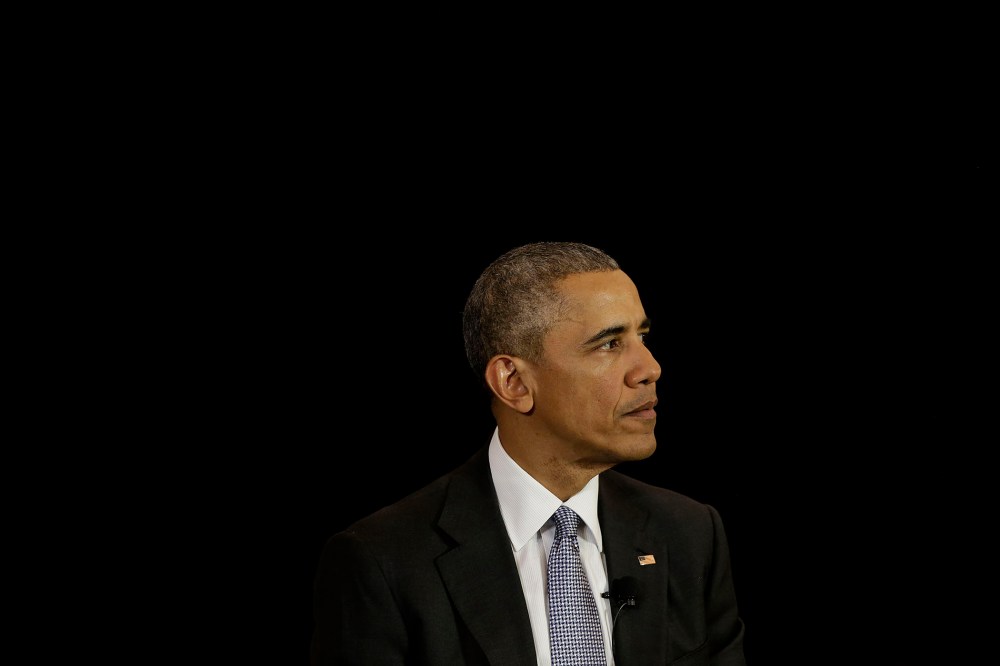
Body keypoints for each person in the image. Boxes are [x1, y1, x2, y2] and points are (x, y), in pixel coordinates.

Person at [310, 241, 746, 665]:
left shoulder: (690, 534)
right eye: (609, 343)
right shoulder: (383, 561)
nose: (650, 368)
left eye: (643, 336)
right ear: (514, 383)